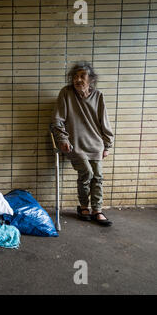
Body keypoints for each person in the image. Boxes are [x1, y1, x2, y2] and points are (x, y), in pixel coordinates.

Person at [50, 61, 114, 226]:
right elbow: (58, 120)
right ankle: (84, 206)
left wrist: (107, 145)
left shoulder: (98, 96)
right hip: (74, 144)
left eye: (82, 76)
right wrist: (62, 139)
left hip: (95, 143)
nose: (78, 80)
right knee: (86, 173)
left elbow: (104, 122)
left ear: (91, 79)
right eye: (75, 76)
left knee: (98, 177)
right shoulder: (66, 93)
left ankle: (97, 210)